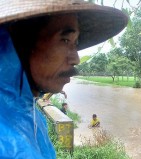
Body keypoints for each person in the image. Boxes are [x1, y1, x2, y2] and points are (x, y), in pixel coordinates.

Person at [0, 1, 128, 158]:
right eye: (65, 40)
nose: (76, 59)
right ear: (20, 42)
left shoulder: (31, 113)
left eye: (76, 43)